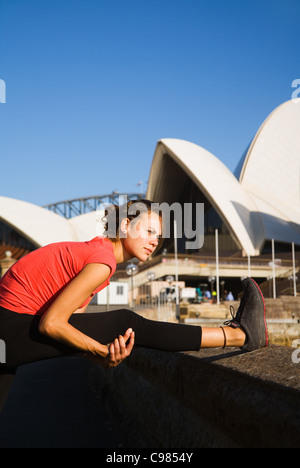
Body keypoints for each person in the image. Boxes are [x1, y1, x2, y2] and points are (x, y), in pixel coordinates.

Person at [0, 200, 268, 396]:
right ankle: (238, 335)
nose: (154, 241)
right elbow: (51, 325)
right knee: (127, 322)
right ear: (126, 224)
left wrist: (101, 359)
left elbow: (70, 331)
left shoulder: (96, 254)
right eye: (148, 231)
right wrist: (101, 351)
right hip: (10, 328)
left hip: (8, 335)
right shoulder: (101, 261)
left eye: (158, 236)